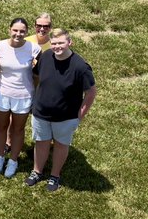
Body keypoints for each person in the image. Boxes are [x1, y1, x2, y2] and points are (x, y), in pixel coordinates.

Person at [26, 28, 97, 192]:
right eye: (54, 43)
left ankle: (55, 175)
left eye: (61, 43)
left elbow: (91, 92)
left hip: (66, 116)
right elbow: (36, 75)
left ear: (70, 42)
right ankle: (37, 171)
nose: (57, 46)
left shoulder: (81, 66)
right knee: (41, 142)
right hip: (41, 112)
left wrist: (80, 115)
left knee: (61, 145)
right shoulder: (46, 56)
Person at [0, 18, 41, 179]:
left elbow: (39, 73)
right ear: (9, 30)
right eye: (15, 30)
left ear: (26, 32)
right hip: (1, 93)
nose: (18, 34)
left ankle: (13, 161)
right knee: (1, 127)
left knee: (18, 129)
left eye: (22, 31)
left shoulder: (34, 48)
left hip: (24, 95)